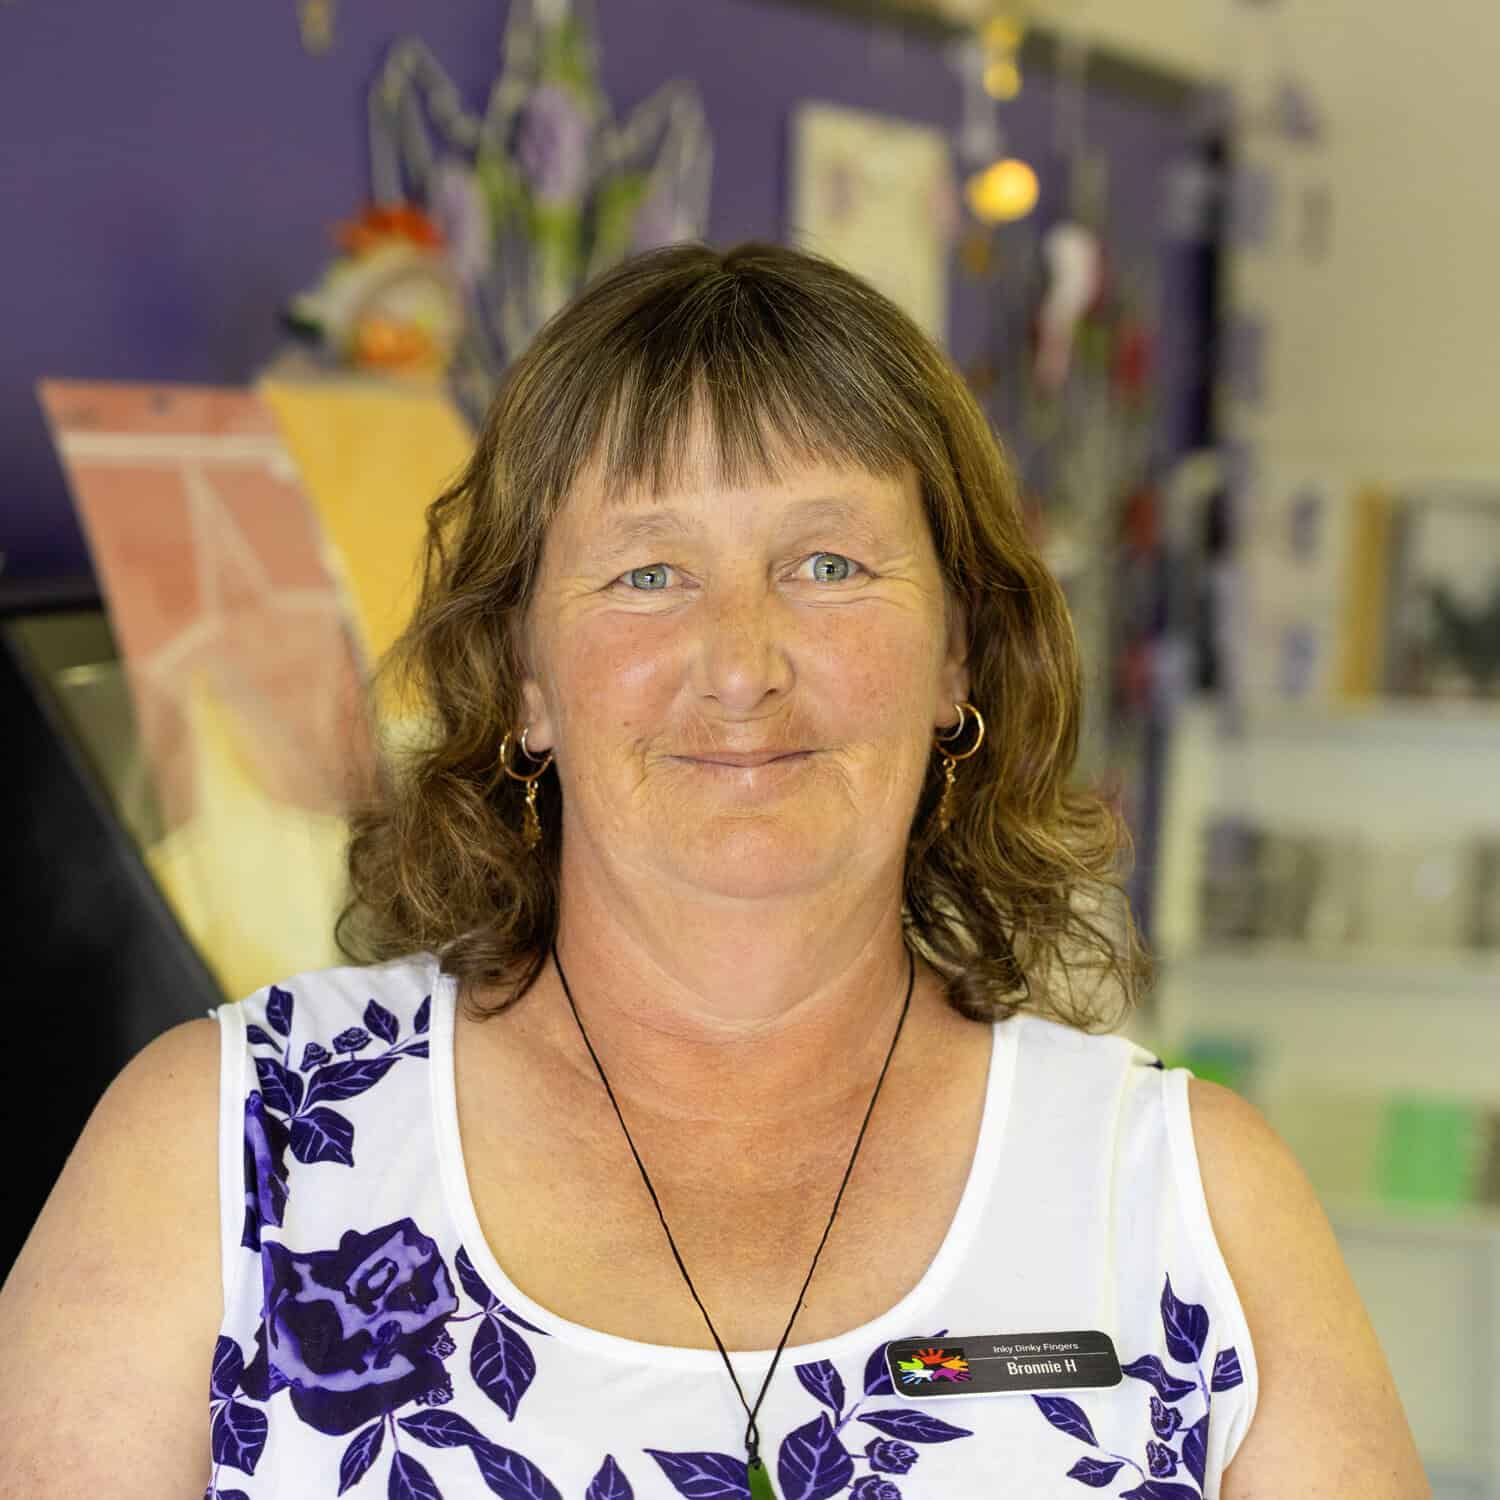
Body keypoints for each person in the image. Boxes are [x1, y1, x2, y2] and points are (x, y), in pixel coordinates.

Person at [0, 242, 1426, 1499]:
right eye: (648, 574)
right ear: (523, 678)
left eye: (828, 565)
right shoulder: (230, 1154)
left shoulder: (1188, 1204)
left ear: (960, 652)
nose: (741, 665)